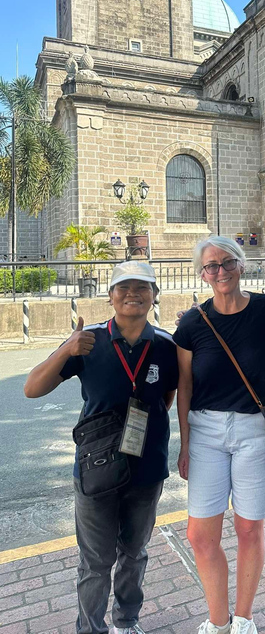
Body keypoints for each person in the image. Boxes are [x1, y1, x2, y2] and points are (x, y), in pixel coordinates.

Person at [24, 261, 178, 634]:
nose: (132, 295)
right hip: (95, 470)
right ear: (110, 296)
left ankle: (127, 621)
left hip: (146, 469)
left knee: (134, 553)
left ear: (154, 295)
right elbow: (31, 388)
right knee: (94, 561)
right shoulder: (87, 341)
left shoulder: (166, 346)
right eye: (123, 288)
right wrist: (65, 351)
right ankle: (90, 629)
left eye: (142, 288)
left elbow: (168, 398)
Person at [174, 236, 265, 634]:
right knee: (200, 534)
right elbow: (185, 387)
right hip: (205, 431)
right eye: (210, 266)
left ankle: (243, 619)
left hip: (255, 430)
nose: (219, 272)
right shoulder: (192, 323)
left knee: (248, 528)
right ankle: (217, 620)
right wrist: (185, 443)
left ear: (241, 266)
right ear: (202, 274)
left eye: (227, 263)